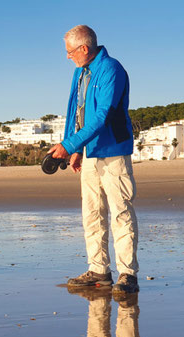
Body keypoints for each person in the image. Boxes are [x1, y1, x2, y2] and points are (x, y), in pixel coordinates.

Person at [47, 25, 139, 294]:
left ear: (84, 48)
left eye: (70, 52)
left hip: (113, 151)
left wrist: (68, 145)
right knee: (92, 213)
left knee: (121, 212)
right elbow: (77, 111)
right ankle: (99, 269)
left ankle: (128, 275)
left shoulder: (111, 69)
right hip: (88, 152)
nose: (68, 57)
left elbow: (102, 116)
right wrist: (76, 149)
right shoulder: (80, 72)